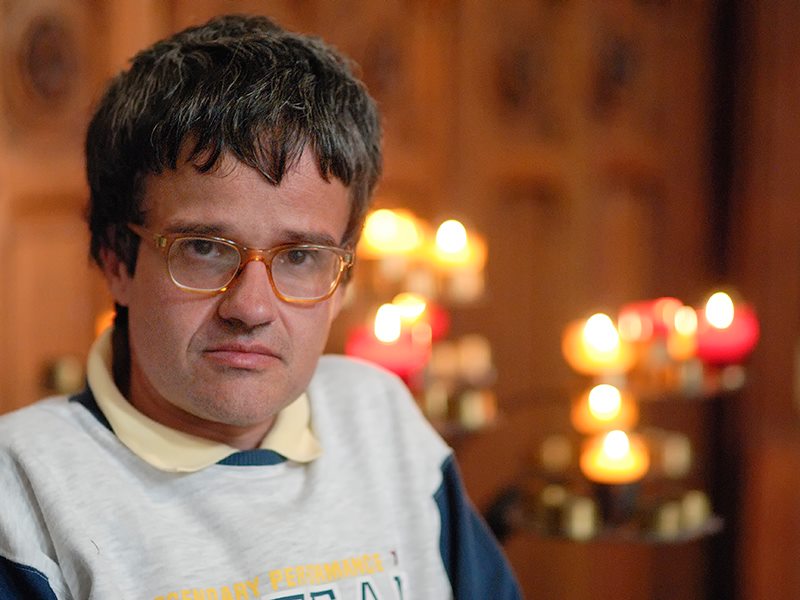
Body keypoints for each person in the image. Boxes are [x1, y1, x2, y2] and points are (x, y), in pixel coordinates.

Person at [0, 13, 522, 600]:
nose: (250, 308)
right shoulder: (23, 488)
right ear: (117, 259)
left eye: (300, 256)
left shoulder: (381, 419)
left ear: (343, 280)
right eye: (204, 248)